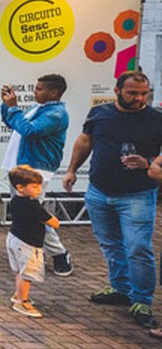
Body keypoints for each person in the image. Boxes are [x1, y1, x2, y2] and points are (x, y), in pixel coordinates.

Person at [62, 71, 162, 334]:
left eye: (144, 94)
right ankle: (120, 288)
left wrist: (149, 164)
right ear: (117, 90)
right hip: (98, 191)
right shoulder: (100, 113)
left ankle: (141, 301)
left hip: (138, 194)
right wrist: (72, 170)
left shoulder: (156, 119)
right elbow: (85, 141)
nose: (139, 98)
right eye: (133, 93)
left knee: (138, 248)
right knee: (110, 243)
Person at [0, 74, 73, 276]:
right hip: (21, 167)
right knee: (25, 213)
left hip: (36, 170)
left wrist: (13, 107)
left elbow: (28, 130)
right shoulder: (38, 109)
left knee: (33, 214)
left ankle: (59, 254)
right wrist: (6, 105)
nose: (35, 91)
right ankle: (33, 252)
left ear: (54, 92)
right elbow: (13, 123)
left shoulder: (56, 114)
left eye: (39, 89)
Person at [6, 166, 58, 318]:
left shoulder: (15, 200)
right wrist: (52, 219)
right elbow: (54, 222)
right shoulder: (33, 205)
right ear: (20, 188)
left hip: (14, 238)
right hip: (28, 243)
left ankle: (17, 295)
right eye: (35, 186)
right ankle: (23, 301)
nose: (39, 190)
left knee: (20, 271)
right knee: (27, 274)